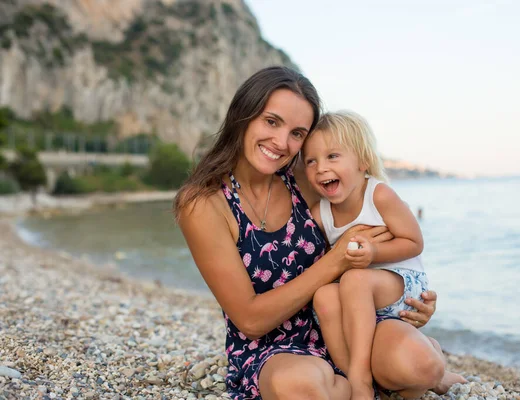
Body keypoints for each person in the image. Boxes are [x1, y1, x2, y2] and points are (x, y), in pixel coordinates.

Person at [175, 66, 441, 400]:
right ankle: (364, 384)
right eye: (271, 122)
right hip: (275, 348)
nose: (281, 143)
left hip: (348, 326)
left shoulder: (307, 178)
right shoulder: (204, 203)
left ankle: (380, 372)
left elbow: (383, 232)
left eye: (297, 133)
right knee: (300, 387)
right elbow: (251, 319)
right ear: (244, 115)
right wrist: (336, 261)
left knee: (422, 366)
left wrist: (406, 295)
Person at [303, 111, 465, 399]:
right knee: (324, 296)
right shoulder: (320, 213)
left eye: (332, 156)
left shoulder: (379, 195)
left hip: (400, 284)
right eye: (311, 161)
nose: (320, 167)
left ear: (362, 161)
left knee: (355, 280)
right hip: (358, 305)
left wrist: (375, 252)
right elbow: (326, 262)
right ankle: (357, 376)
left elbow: (414, 242)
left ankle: (364, 379)